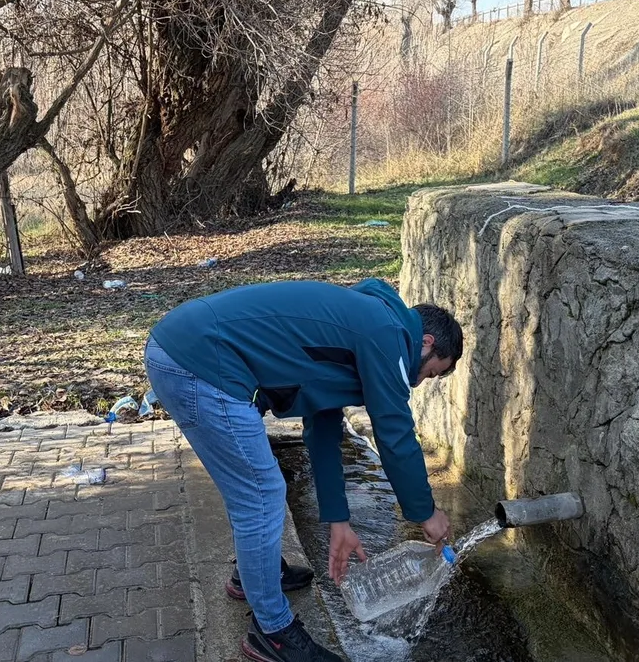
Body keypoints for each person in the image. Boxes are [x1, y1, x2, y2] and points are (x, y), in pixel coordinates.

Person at [144, 278, 462, 662]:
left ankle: (255, 575)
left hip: (187, 351)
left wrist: (338, 520)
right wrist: (426, 512)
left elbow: (323, 427)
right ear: (426, 342)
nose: (419, 382)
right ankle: (273, 633)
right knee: (261, 495)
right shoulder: (389, 335)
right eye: (430, 373)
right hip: (198, 364)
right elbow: (395, 434)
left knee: (249, 487)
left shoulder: (367, 325)